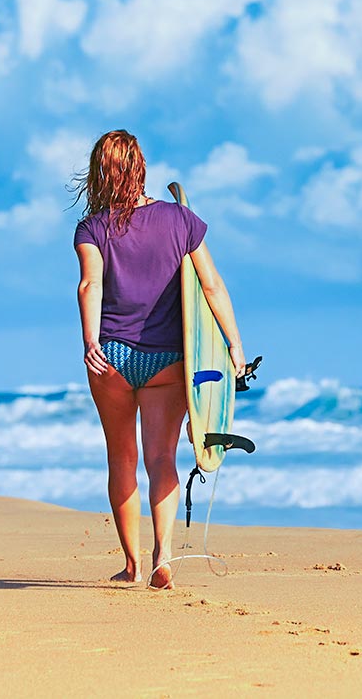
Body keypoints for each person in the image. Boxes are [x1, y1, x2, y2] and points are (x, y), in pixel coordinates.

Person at [72, 130, 245, 589]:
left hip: (111, 356)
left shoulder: (92, 228)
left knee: (121, 459)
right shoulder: (181, 220)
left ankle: (130, 566)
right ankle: (162, 556)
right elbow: (210, 286)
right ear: (140, 167)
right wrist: (234, 346)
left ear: (99, 173)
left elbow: (91, 285)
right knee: (162, 457)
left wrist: (91, 340)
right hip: (169, 361)